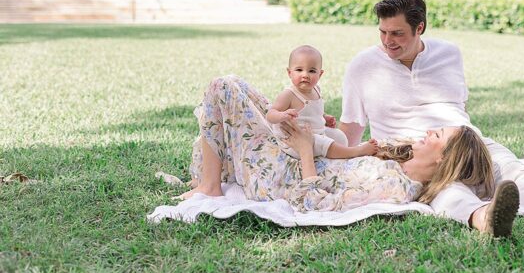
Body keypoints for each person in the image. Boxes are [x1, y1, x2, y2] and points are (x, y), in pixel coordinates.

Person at [338, 0, 524, 238]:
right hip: (411, 151)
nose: (388, 41)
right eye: (383, 32)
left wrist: (462, 140)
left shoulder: (449, 53)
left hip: (461, 137)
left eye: (397, 33)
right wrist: (333, 153)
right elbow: (351, 125)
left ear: (420, 28)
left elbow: (459, 107)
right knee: (446, 189)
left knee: (510, 171)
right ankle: (485, 218)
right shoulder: (362, 66)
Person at [178, 75, 505, 215]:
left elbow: (311, 204)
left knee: (225, 87)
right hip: (289, 156)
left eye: (438, 136)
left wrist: (306, 148)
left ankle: (210, 186)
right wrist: (318, 132)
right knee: (244, 100)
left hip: (281, 177)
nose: (429, 132)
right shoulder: (398, 164)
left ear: (445, 158)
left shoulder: (395, 186)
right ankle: (211, 178)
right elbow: (344, 157)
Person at [265, 45, 375, 159]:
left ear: (320, 74)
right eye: (299, 70)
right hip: (296, 141)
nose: (305, 75)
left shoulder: (316, 90)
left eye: (312, 71)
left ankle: (337, 152)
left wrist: (325, 117)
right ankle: (354, 152)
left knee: (339, 136)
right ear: (289, 73)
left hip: (316, 133)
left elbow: (313, 112)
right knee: (322, 143)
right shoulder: (288, 95)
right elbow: (270, 114)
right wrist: (282, 115)